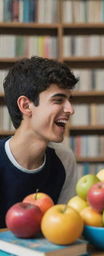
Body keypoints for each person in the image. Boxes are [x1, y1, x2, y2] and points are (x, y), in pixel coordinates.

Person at [0, 56, 79, 228]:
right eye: (58, 100)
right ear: (26, 106)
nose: (70, 110)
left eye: (69, 100)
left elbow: (65, 228)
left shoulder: (65, 159)